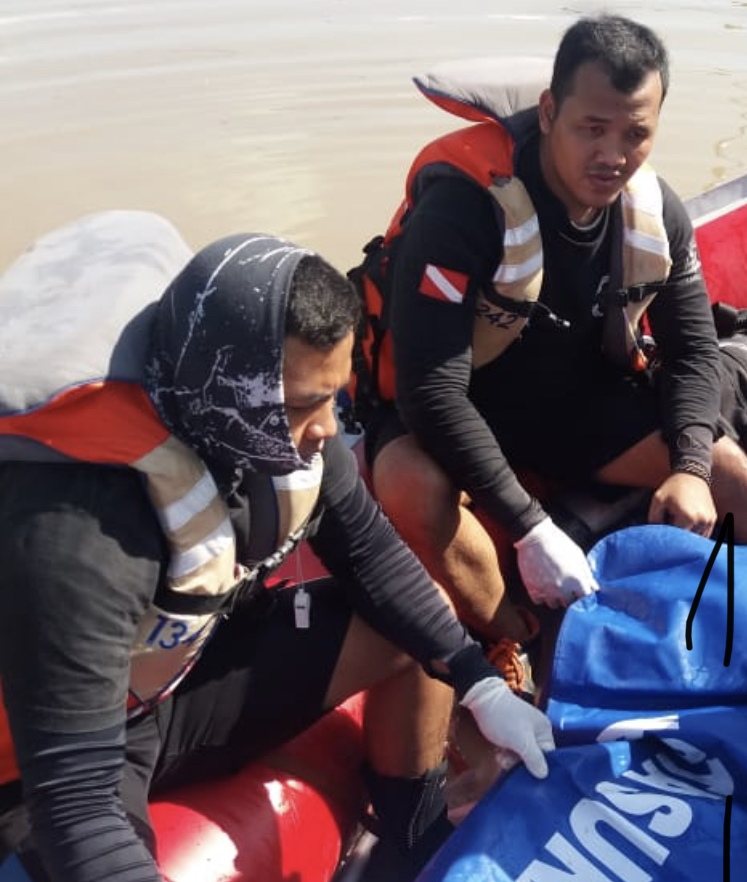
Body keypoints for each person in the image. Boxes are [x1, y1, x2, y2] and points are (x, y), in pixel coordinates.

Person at [0, 210, 555, 882]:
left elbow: (376, 561)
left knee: (410, 624)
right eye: (299, 406)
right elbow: (75, 800)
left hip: (177, 677)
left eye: (335, 396)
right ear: (214, 390)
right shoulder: (80, 532)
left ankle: (415, 837)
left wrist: (479, 685)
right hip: (53, 752)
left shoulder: (275, 425)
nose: (327, 430)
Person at [353, 14, 747, 672]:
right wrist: (530, 528)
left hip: (570, 402)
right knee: (408, 485)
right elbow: (428, 390)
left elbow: (694, 353)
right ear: (551, 110)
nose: (613, 154)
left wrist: (691, 470)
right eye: (593, 128)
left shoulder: (656, 212)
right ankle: (515, 637)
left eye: (636, 133)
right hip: (454, 406)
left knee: (729, 471)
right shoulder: (463, 210)